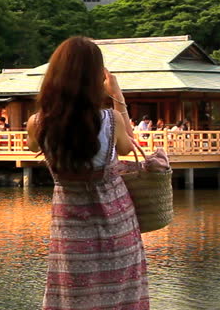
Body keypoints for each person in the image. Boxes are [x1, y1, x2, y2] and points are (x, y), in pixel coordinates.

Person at [27, 37, 149, 310]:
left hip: (69, 227)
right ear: (95, 77)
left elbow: (34, 146)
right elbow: (129, 147)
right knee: (121, 292)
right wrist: (117, 95)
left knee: (73, 294)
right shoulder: (110, 120)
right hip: (116, 221)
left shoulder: (37, 124)